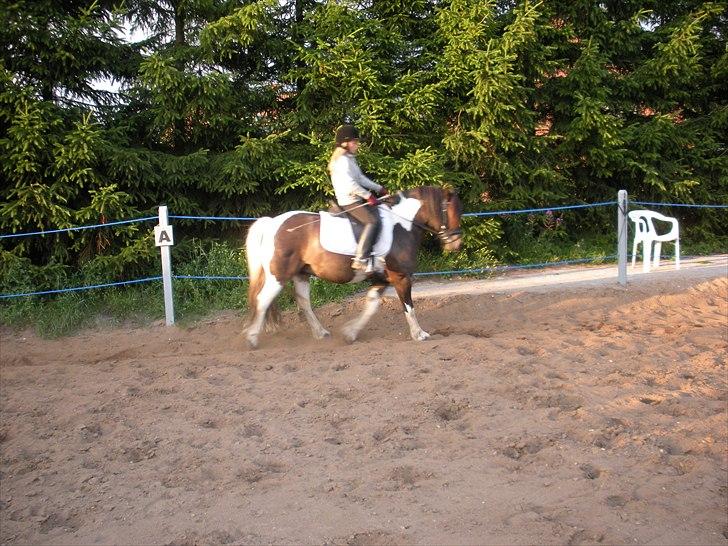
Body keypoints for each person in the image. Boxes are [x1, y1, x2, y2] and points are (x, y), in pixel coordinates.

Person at [328, 124, 388, 272]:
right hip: (348, 201)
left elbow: (360, 178)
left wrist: (379, 188)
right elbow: (350, 184)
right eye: (355, 142)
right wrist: (368, 196)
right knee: (372, 222)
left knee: (379, 214)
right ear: (345, 143)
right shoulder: (342, 161)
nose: (357, 145)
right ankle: (360, 258)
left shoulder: (349, 159)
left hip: (355, 199)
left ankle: (374, 256)